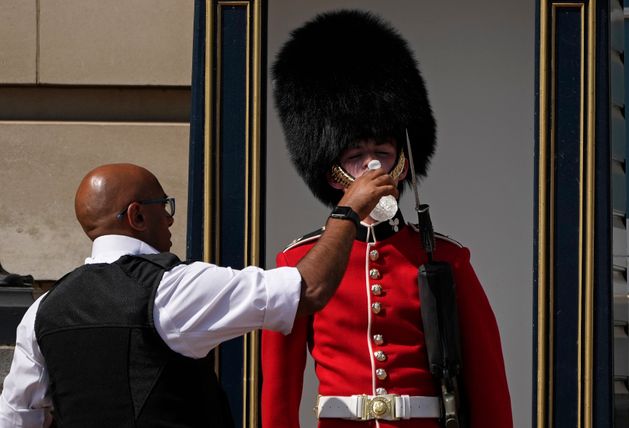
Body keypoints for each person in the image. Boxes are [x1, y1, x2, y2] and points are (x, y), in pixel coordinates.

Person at [0, 162, 397, 428]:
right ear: (137, 216)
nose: (170, 218)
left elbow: (17, 418)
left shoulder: (41, 311)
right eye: (163, 207)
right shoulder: (173, 288)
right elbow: (308, 288)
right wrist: (347, 210)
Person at [261, 9, 513, 428]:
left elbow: (488, 381)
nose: (373, 165)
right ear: (333, 172)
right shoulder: (297, 263)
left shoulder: (447, 257)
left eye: (383, 151)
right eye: (356, 156)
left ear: (403, 162)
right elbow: (279, 391)